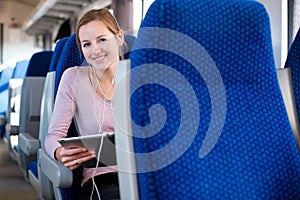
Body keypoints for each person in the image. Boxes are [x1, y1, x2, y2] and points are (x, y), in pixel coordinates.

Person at [45, 8, 124, 200]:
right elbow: (53, 135)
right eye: (86, 44)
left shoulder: (140, 76)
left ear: (119, 37)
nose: (95, 50)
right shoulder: (73, 77)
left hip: (144, 172)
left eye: (102, 40)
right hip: (103, 178)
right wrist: (59, 151)